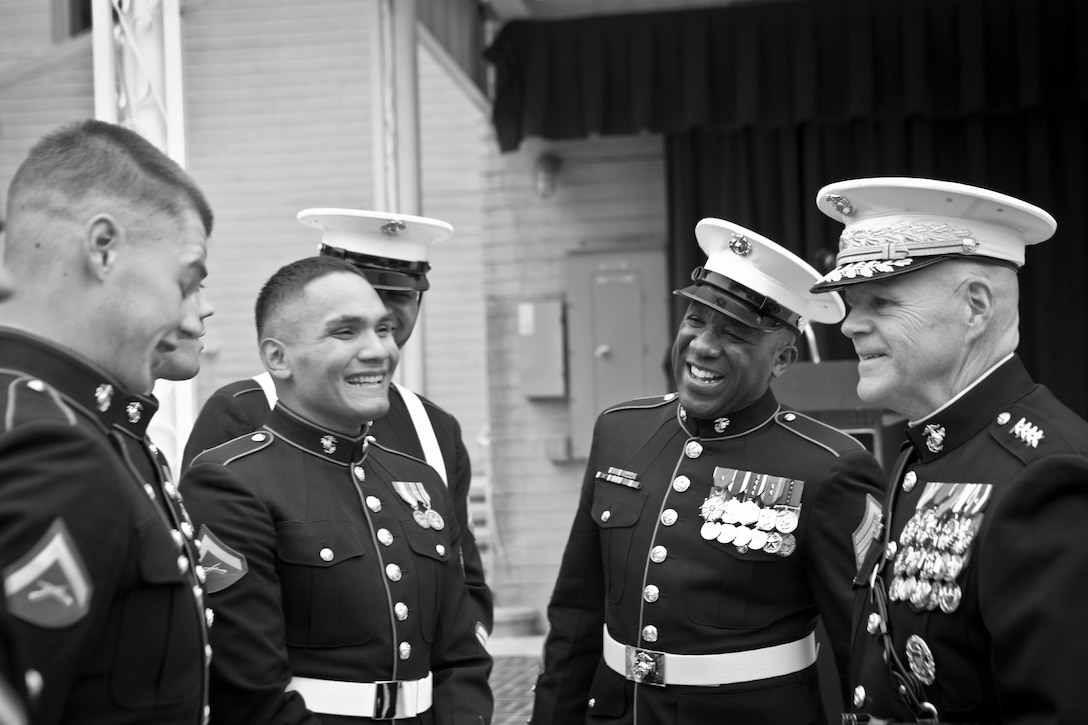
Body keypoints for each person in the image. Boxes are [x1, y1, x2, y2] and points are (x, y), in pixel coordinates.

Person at [531, 218, 887, 725]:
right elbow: (577, 612)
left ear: (783, 359)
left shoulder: (828, 467)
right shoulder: (620, 430)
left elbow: (862, 646)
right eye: (696, 320)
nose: (703, 345)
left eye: (735, 333)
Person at [811, 177, 1088, 724]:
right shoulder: (930, 448)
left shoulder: (1047, 475)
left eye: (883, 302)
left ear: (976, 307)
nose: (849, 324)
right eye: (849, 303)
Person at [179, 255, 493, 724]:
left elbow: (461, 661)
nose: (379, 351)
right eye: (346, 332)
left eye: (383, 330)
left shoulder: (417, 480)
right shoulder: (232, 481)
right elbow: (248, 692)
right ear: (277, 357)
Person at [0, 119, 213, 724]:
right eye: (185, 279)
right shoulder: (51, 445)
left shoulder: (57, 417)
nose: (188, 313)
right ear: (103, 248)